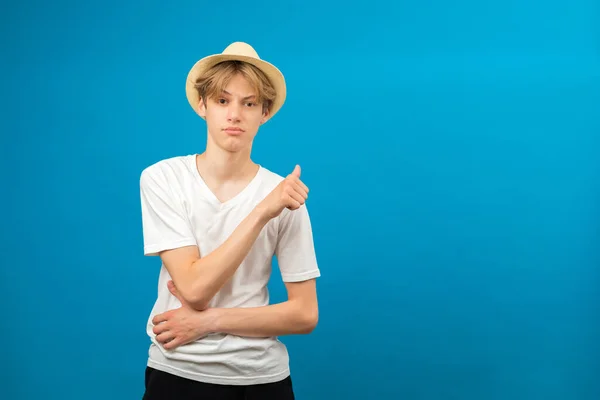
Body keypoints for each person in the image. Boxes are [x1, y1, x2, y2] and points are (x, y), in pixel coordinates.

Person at [138, 42, 321, 400]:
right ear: (203, 106)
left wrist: (209, 321)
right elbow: (194, 289)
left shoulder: (284, 196)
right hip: (176, 373)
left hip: (261, 380)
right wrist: (260, 213)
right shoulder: (163, 179)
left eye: (248, 103)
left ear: (264, 112)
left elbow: (305, 313)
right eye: (223, 101)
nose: (234, 114)